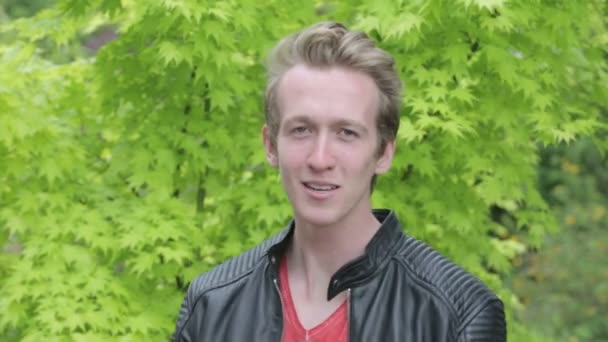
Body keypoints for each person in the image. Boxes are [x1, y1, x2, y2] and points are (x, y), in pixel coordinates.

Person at [172, 21, 506, 342]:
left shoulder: (458, 313)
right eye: (301, 130)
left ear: (384, 154)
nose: (320, 159)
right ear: (271, 146)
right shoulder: (211, 304)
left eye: (346, 133)